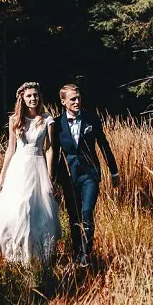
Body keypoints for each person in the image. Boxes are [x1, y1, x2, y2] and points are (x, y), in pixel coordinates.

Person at [0, 81, 61, 265]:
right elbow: (10, 149)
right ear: (22, 98)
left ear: (40, 97)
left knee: (35, 210)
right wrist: (2, 176)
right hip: (19, 168)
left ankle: (36, 254)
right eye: (29, 95)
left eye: (35, 95)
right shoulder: (15, 120)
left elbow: (50, 149)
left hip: (37, 167)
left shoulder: (47, 120)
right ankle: (15, 252)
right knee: (18, 207)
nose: (33, 99)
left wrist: (50, 175)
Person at [54, 83, 118, 267]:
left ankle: (85, 255)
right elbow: (54, 153)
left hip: (90, 174)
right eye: (72, 99)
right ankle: (76, 252)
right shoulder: (57, 124)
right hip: (69, 176)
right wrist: (52, 177)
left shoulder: (91, 119)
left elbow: (104, 145)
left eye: (79, 98)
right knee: (74, 216)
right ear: (63, 101)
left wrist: (114, 171)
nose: (77, 101)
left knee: (87, 212)